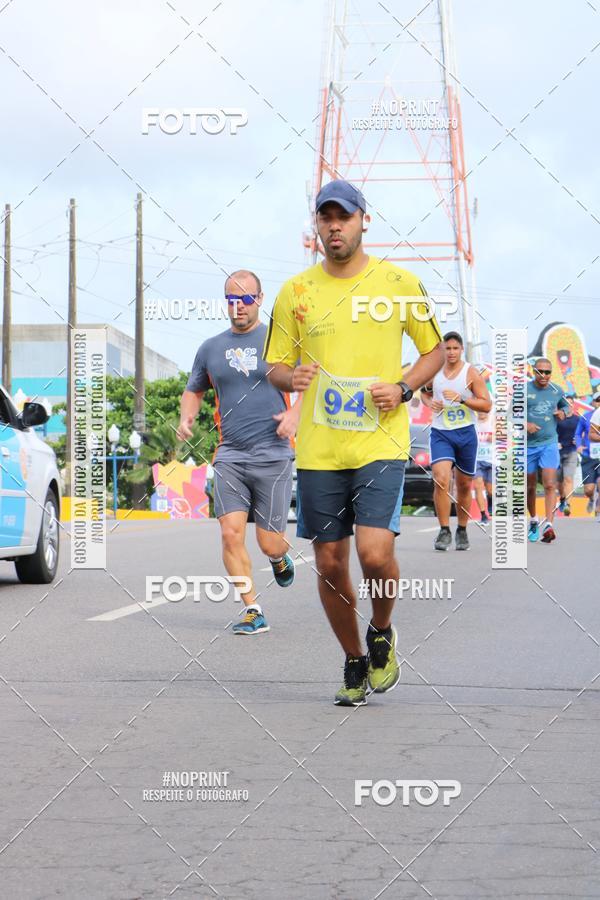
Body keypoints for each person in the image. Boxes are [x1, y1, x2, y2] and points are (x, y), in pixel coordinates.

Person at [264, 179, 444, 706]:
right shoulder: (295, 292)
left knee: (374, 551)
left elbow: (433, 350)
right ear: (316, 225)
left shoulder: (398, 283)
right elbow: (275, 363)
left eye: (343, 216)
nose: (334, 226)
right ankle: (353, 659)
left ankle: (382, 630)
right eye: (325, 217)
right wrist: (288, 378)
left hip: (381, 442)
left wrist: (405, 386)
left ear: (365, 220)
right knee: (329, 563)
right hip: (320, 451)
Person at [178, 270, 299, 635]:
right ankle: (252, 610)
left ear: (260, 299)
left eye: (245, 299)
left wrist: (296, 412)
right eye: (231, 299)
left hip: (275, 452)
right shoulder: (210, 348)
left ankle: (278, 556)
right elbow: (194, 389)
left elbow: (311, 377)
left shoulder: (279, 340)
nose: (238, 306)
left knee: (268, 541)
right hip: (229, 453)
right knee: (230, 533)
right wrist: (186, 418)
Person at [420, 332, 492, 550]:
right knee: (441, 479)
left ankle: (461, 529)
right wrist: (430, 403)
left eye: (455, 348)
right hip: (441, 433)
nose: (451, 352)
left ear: (461, 350)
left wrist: (462, 399)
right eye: (447, 348)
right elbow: (425, 393)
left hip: (466, 434)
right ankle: (444, 531)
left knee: (463, 485)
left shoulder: (470, 373)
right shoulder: (435, 372)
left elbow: (486, 405)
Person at [526, 358, 568, 543]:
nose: (543, 375)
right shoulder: (523, 390)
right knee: (530, 486)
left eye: (547, 372)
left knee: (550, 484)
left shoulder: (557, 390)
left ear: (551, 373)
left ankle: (549, 525)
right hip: (527, 446)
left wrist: (563, 412)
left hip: (549, 443)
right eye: (539, 371)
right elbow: (508, 415)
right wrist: (525, 424)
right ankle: (534, 520)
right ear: (533, 371)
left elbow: (567, 406)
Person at [576, 392, 600, 516]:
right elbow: (578, 434)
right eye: (597, 400)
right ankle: (591, 499)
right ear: (593, 402)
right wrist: (579, 445)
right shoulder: (586, 417)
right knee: (589, 489)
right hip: (588, 455)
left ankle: (598, 506)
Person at [556, 396, 579, 517]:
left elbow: (583, 433)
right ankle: (562, 498)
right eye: (566, 403)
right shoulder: (557, 419)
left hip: (571, 451)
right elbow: (550, 432)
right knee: (559, 482)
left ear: (573, 405)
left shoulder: (578, 420)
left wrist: (578, 441)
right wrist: (555, 442)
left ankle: (568, 506)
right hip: (557, 452)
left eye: (571, 403)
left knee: (568, 479)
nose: (569, 405)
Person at [474, 410, 494, 524]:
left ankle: (490, 500)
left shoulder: (493, 421)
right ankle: (483, 515)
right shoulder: (473, 422)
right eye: (479, 410)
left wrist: (495, 438)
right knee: (478, 486)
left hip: (492, 459)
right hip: (477, 459)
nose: (481, 412)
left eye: (484, 410)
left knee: (490, 489)